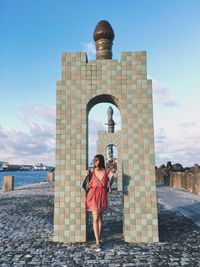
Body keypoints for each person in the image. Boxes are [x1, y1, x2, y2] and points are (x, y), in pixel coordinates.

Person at [85, 154, 113, 252]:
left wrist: (112, 177)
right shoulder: (91, 172)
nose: (95, 162)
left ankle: (98, 237)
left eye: (97, 160)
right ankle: (97, 241)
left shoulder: (106, 172)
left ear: (100, 161)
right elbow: (86, 184)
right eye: (94, 160)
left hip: (102, 196)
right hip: (93, 196)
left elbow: (108, 186)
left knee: (100, 218)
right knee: (95, 217)